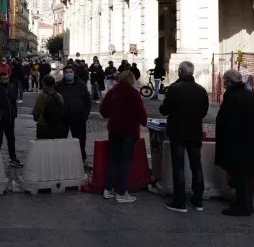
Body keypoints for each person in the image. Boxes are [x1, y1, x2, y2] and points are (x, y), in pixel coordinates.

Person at [159, 61, 209, 213]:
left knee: (178, 167)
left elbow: (164, 110)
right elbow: (204, 111)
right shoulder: (201, 90)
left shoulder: (175, 88)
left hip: (178, 133)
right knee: (196, 166)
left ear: (180, 71)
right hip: (195, 132)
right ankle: (198, 200)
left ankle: (180, 201)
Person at [215, 69, 254, 217]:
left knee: (239, 175)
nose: (223, 83)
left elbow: (230, 121)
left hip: (236, 142)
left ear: (228, 81)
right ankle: (245, 204)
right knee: (244, 175)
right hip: (247, 140)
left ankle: (243, 207)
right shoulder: (249, 94)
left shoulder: (234, 96)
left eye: (224, 80)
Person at [99, 70, 148, 203]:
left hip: (114, 129)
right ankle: (121, 192)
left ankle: (108, 189)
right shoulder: (134, 94)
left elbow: (103, 110)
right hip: (129, 131)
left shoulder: (113, 92)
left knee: (113, 159)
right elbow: (141, 112)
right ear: (132, 80)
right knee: (126, 161)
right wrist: (144, 122)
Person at [55, 65, 92, 170]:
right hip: (63, 117)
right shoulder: (58, 86)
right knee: (61, 139)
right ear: (64, 73)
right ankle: (60, 160)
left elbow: (87, 101)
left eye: (70, 72)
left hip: (78, 116)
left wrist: (85, 115)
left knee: (80, 139)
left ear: (74, 73)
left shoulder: (81, 85)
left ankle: (82, 160)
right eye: (66, 72)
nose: (68, 74)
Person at [0, 72, 23, 167]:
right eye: (4, 79)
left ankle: (13, 158)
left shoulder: (10, 87)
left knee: (11, 139)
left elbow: (13, 102)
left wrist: (14, 113)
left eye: (7, 78)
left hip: (10, 118)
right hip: (0, 119)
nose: (6, 80)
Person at [32, 75, 65, 139]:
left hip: (43, 125)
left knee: (42, 146)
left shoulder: (42, 96)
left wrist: (37, 119)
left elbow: (36, 111)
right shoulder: (59, 96)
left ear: (44, 84)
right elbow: (62, 109)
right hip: (56, 125)